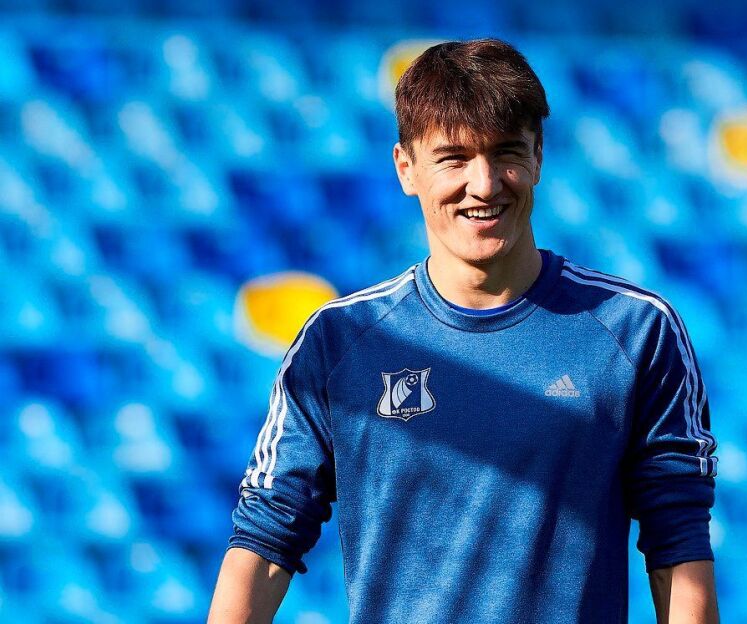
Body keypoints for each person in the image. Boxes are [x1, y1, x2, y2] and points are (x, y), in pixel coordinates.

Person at [208, 38, 719, 623]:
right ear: (406, 168)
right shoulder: (339, 340)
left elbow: (678, 539)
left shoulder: (636, 330)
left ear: (538, 156)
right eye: (453, 158)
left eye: (506, 153)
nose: (484, 184)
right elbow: (266, 537)